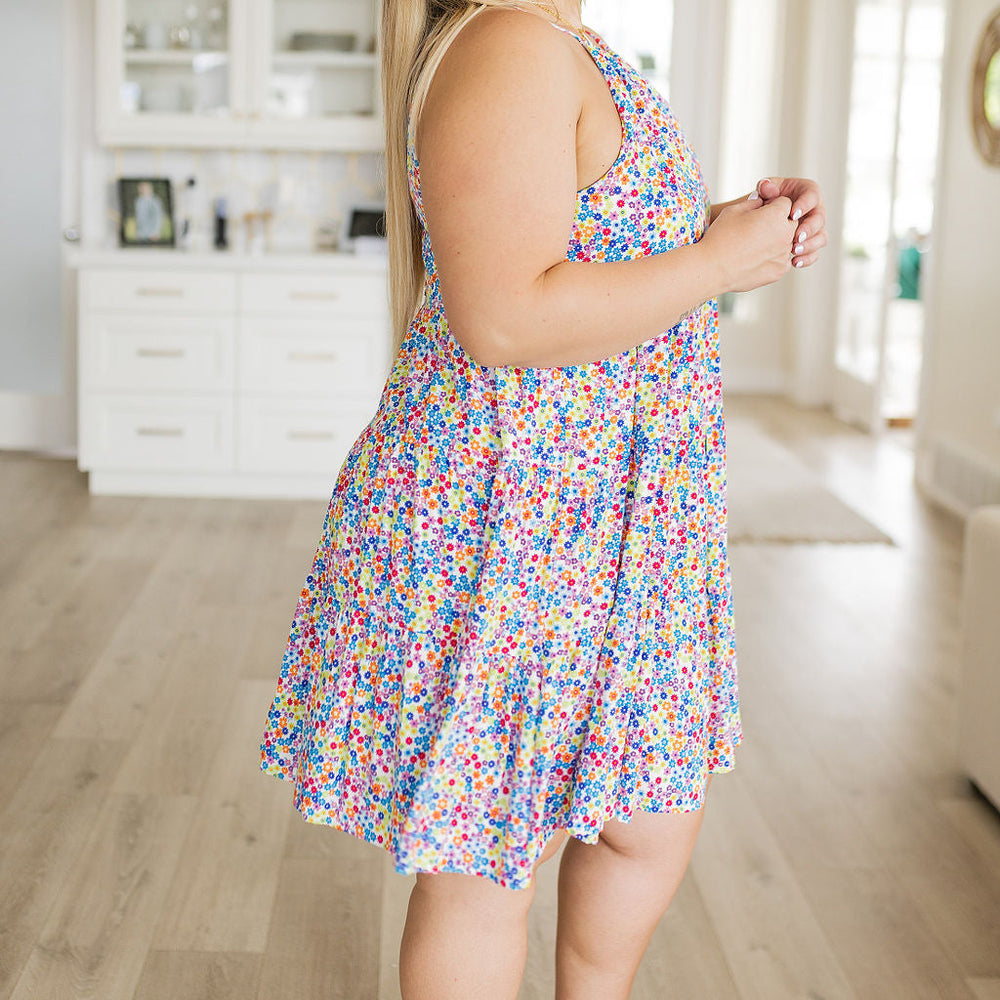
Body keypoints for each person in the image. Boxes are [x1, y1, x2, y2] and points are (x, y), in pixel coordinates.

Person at [258, 1, 828, 998]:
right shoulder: (508, 42)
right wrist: (714, 265)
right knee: (489, 861)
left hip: (614, 520)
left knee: (642, 824)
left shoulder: (561, 44)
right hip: (515, 525)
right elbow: (507, 319)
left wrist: (723, 234)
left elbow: (586, 249)